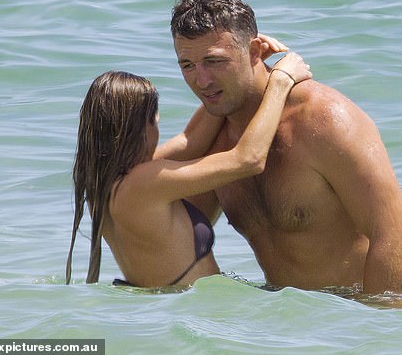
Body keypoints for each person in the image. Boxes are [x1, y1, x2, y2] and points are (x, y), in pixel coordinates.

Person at [157, 0, 402, 295]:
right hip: (295, 328)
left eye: (215, 61)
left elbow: (397, 237)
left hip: (381, 307)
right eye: (187, 66)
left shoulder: (324, 119)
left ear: (255, 52)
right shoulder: (217, 142)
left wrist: (374, 331)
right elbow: (167, 225)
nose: (201, 81)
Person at [65, 51, 311, 287]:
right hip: (199, 311)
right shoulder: (145, 182)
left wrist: (244, 69)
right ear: (140, 129)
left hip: (162, 308)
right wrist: (281, 81)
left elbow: (190, 141)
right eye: (156, 123)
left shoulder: (103, 182)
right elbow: (249, 159)